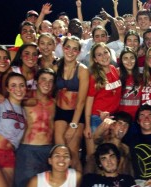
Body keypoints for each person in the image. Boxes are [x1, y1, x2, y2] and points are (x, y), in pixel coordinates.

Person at [13, 68, 56, 187]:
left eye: (51, 81)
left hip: (49, 150)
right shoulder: (24, 98)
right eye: (43, 79)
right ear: (36, 81)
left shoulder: (54, 103)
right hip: (28, 149)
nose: (47, 84)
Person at [54, 36, 89, 172]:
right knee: (60, 152)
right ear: (63, 48)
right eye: (68, 47)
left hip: (76, 114)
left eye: (75, 49)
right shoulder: (56, 66)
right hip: (60, 112)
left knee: (73, 155)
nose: (70, 51)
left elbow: (81, 101)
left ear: (79, 52)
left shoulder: (82, 70)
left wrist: (73, 125)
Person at [0, 72, 27, 187]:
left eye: (22, 85)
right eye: (13, 85)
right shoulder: (0, 105)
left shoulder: (24, 113)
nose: (18, 89)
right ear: (7, 88)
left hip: (9, 157)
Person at [118, 47, 142, 123]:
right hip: (120, 119)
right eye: (125, 58)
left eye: (132, 58)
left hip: (136, 120)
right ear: (121, 61)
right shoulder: (116, 76)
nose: (129, 61)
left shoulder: (141, 77)